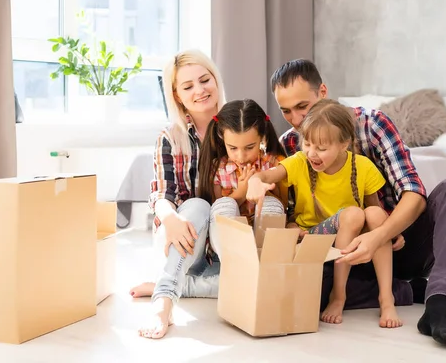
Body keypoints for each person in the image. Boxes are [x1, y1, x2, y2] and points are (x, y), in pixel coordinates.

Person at [270, 59, 446, 349]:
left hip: (396, 244)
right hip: (340, 255)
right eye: (285, 110)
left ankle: (439, 304)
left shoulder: (372, 124)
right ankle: (402, 292)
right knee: (306, 294)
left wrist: (379, 235)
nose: (296, 119)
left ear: (323, 92)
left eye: (302, 106)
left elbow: (413, 194)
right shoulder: (291, 144)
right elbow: (291, 214)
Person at [247, 99, 403, 329]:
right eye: (307, 144)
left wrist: (389, 231)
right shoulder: (299, 162)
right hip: (311, 237)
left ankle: (386, 298)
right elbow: (266, 176)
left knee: (373, 215)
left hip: (351, 244)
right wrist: (254, 182)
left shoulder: (362, 166)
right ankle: (338, 296)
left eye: (321, 148)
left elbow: (374, 211)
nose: (311, 153)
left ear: (344, 144)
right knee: (353, 215)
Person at [136, 49, 226, 339]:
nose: (199, 90)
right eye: (188, 87)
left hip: (222, 241)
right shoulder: (170, 136)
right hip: (183, 236)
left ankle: (175, 283)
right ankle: (163, 303)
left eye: (204, 80)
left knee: (222, 207)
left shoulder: (237, 126)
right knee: (198, 205)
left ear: (216, 79)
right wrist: (169, 217)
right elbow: (162, 192)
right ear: (177, 95)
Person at [198, 99, 288, 246]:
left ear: (262, 138)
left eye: (249, 147)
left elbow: (284, 206)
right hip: (229, 239)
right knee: (225, 205)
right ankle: (232, 257)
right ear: (222, 140)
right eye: (233, 148)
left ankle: (264, 255)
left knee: (271, 204)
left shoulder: (274, 164)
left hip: (264, 235)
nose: (241, 157)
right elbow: (217, 209)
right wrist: (241, 192)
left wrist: (262, 188)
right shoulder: (218, 169)